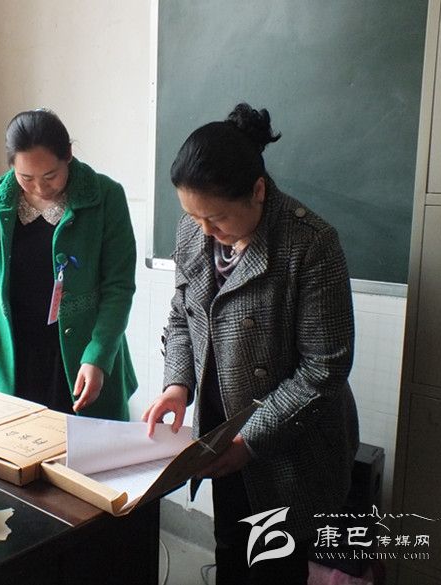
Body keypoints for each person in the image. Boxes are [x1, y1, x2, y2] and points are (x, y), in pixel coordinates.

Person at [142, 103, 359, 584]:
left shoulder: (310, 243)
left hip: (285, 443)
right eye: (193, 215)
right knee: (231, 552)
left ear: (258, 191)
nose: (205, 231)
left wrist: (251, 440)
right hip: (221, 433)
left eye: (217, 218)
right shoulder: (195, 228)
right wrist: (177, 385)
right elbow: (182, 314)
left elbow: (324, 368)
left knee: (273, 565)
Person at [0, 109, 137, 420]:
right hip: (15, 352)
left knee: (85, 444)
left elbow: (119, 287)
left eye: (50, 176)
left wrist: (98, 356)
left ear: (68, 155)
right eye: (26, 178)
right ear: (11, 166)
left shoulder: (105, 197)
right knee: (14, 440)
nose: (40, 188)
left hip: (81, 352)